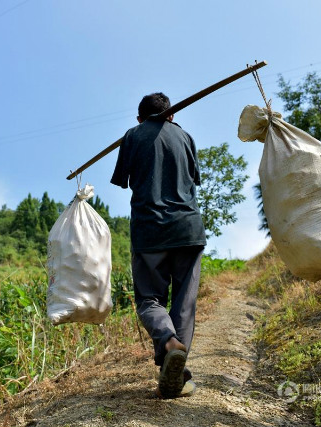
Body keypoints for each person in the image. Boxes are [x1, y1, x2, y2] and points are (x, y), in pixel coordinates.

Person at [110, 92, 206, 399]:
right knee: (184, 303)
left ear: (139, 119)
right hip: (188, 229)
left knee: (150, 299)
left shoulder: (132, 136)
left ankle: (167, 342)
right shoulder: (186, 138)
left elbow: (122, 179)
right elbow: (194, 179)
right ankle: (178, 372)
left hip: (149, 231)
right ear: (172, 116)